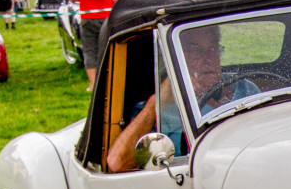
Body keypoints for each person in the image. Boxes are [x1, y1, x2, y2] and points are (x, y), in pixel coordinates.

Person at [106, 25, 259, 172]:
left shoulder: (245, 89)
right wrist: (158, 101)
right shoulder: (158, 108)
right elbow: (117, 162)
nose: (209, 58)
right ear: (177, 58)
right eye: (196, 52)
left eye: (213, 48)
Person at [68, 0, 120, 88]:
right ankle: (109, 80)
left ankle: (93, 84)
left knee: (89, 50)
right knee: (108, 47)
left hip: (87, 17)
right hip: (106, 17)